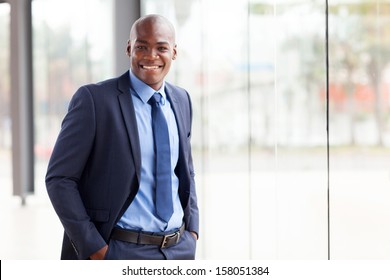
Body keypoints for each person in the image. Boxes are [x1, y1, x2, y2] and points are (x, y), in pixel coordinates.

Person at [45, 14, 199, 260]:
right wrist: (95, 248)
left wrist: (193, 231)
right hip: (121, 249)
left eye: (161, 48)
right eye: (141, 46)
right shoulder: (95, 101)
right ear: (129, 49)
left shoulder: (182, 100)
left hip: (178, 248)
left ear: (174, 52)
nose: (151, 56)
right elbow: (59, 179)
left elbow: (185, 170)